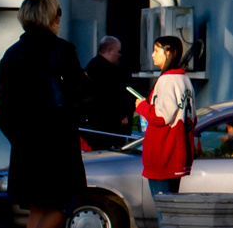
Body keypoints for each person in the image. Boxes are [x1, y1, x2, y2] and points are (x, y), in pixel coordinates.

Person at [0, 0, 88, 228]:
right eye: (58, 12)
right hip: (57, 139)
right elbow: (81, 94)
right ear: (52, 16)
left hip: (25, 143)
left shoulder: (12, 53)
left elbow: (0, 104)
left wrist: (17, 136)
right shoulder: (62, 51)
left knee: (38, 207)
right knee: (63, 203)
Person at [137, 37, 193, 195]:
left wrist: (142, 107)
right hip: (177, 153)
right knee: (172, 211)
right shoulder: (184, 79)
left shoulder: (166, 80)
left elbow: (162, 117)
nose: (152, 55)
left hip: (163, 155)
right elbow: (192, 118)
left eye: (156, 50)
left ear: (168, 53)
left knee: (165, 213)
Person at [82, 36, 134, 143]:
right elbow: (107, 97)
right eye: (118, 51)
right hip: (106, 129)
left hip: (104, 127)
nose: (120, 55)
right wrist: (121, 116)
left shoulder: (94, 66)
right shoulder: (103, 70)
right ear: (109, 51)